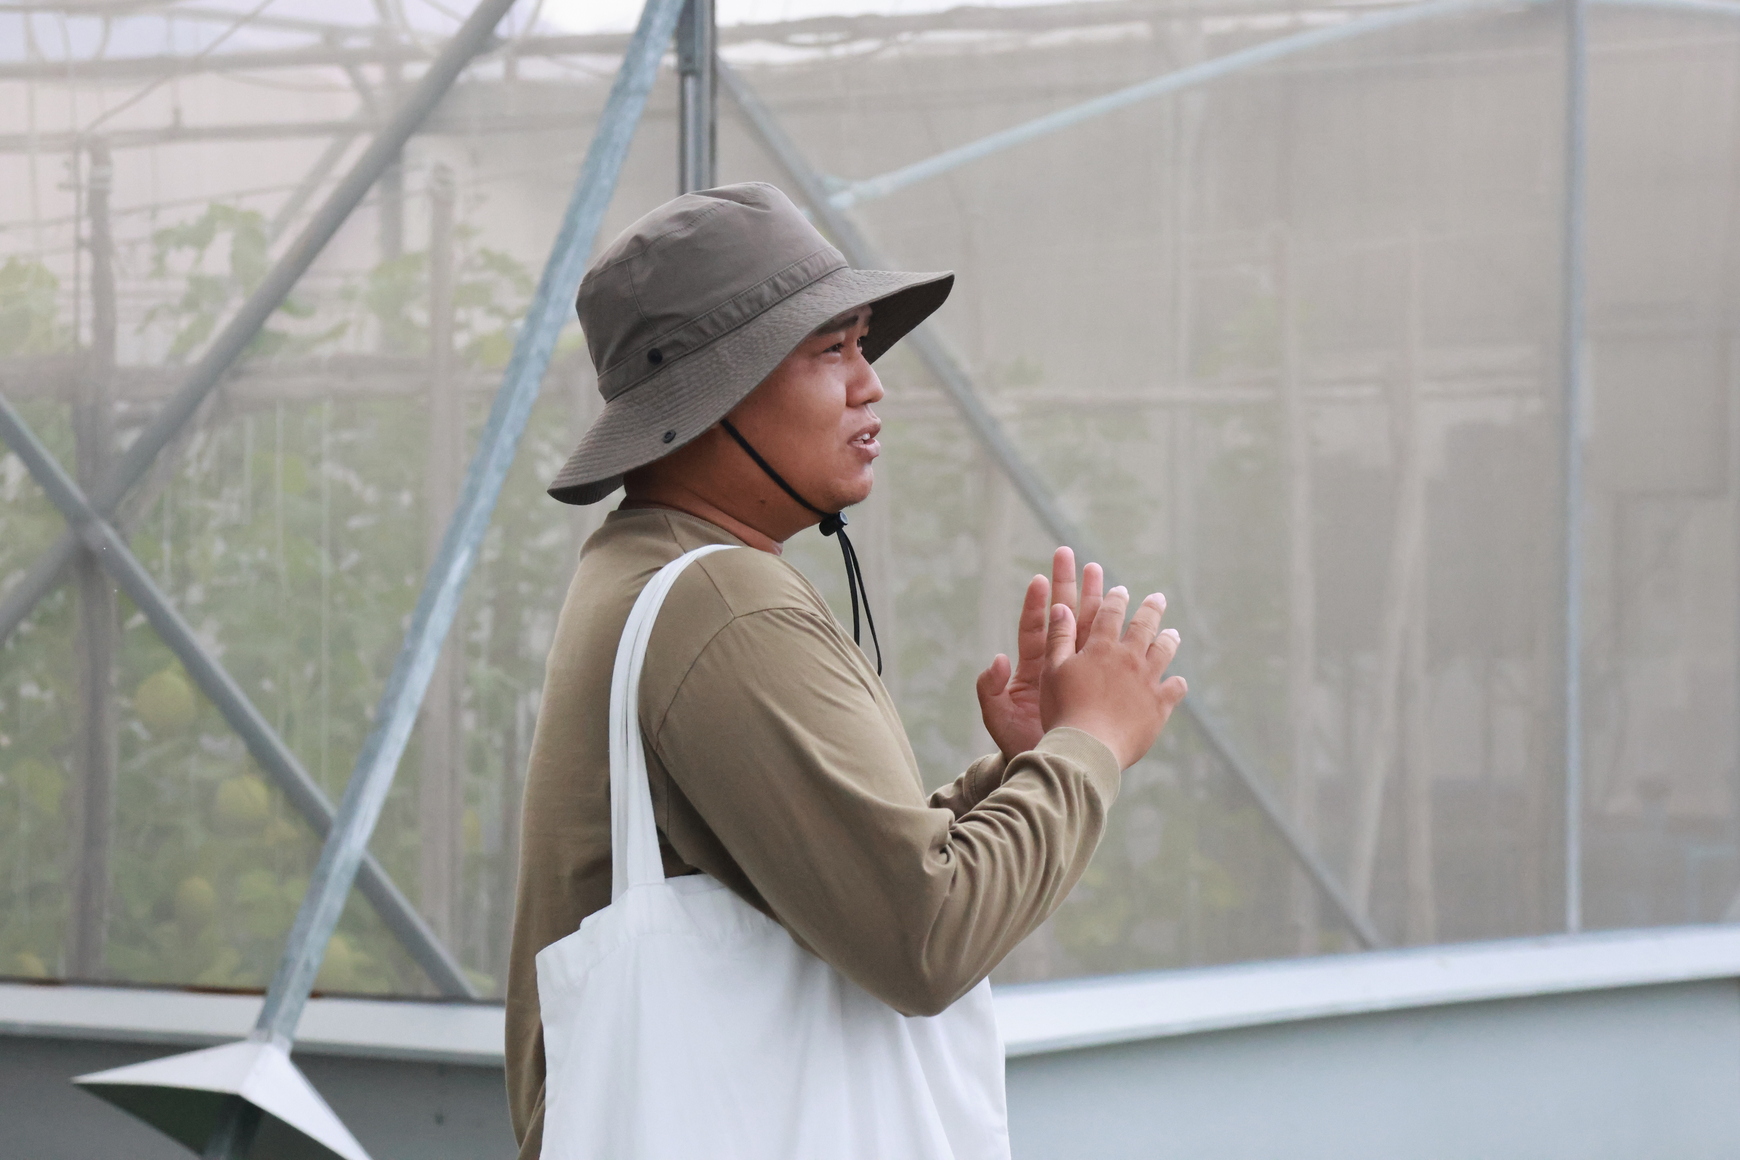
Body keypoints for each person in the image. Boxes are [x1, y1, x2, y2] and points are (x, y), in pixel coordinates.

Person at [505, 182, 1187, 1158]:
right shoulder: (723, 603)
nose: (872, 384)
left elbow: (840, 876)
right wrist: (1091, 745)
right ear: (715, 390)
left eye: (863, 345)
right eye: (832, 350)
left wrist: (1022, 767)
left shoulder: (643, 566)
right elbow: (926, 936)